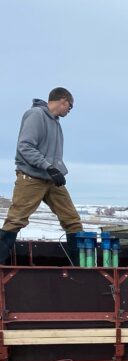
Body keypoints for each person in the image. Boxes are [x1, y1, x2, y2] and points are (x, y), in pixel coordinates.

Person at [0, 88, 83, 264]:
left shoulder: (55, 122)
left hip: (50, 179)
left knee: (72, 221)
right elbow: (26, 147)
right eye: (70, 106)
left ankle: (79, 268)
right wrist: (49, 167)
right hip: (31, 178)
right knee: (16, 220)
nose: (70, 110)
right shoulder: (36, 115)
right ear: (63, 101)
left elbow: (52, 155)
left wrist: (56, 170)